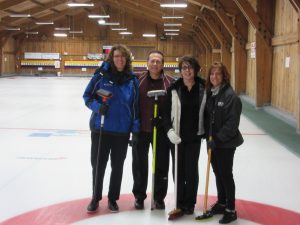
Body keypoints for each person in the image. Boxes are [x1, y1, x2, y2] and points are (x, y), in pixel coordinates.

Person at [83, 44, 140, 213]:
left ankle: (113, 199)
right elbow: (87, 96)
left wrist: (135, 129)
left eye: (122, 56)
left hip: (121, 132)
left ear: (127, 59)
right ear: (111, 58)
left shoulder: (132, 80)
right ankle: (95, 197)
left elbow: (135, 107)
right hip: (101, 129)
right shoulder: (101, 76)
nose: (119, 59)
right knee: (98, 165)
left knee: (117, 167)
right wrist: (97, 107)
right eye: (116, 56)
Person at [163, 55, 206, 215]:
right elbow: (165, 113)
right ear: (180, 71)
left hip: (194, 137)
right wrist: (169, 130)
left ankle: (190, 203)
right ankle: (180, 202)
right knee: (178, 171)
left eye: (190, 67)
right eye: (184, 68)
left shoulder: (203, 87)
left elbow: (208, 113)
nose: (187, 71)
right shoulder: (174, 89)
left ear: (195, 70)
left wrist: (208, 133)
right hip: (177, 138)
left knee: (191, 171)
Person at [132, 50, 174, 210]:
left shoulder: (170, 82)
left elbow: (174, 107)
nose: (155, 64)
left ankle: (159, 197)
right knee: (139, 165)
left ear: (163, 64)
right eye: (152, 61)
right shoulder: (137, 80)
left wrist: (164, 120)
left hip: (161, 132)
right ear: (147, 63)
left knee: (162, 165)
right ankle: (139, 196)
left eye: (158, 61)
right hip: (141, 130)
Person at [204, 61, 243, 224]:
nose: (214, 76)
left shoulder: (230, 96)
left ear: (224, 76)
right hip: (212, 142)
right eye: (212, 74)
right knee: (217, 173)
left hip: (225, 144)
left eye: (218, 73)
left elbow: (232, 124)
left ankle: (230, 209)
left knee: (226, 174)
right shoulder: (211, 93)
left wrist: (217, 139)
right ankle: (221, 202)